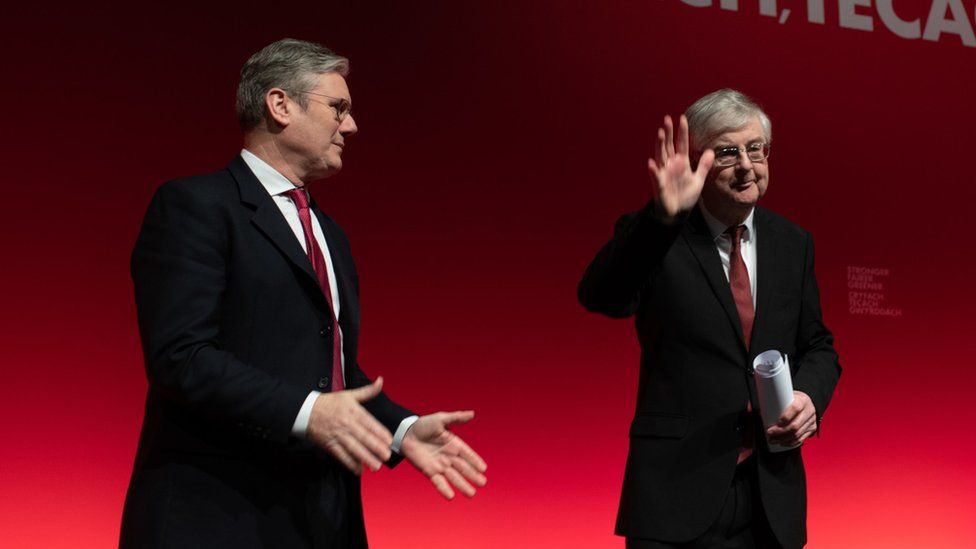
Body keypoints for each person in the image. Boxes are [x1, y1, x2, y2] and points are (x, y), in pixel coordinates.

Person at [119, 38, 487, 549]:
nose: (352, 126)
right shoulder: (196, 207)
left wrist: (401, 430)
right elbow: (181, 357)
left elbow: (331, 369)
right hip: (218, 516)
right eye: (338, 107)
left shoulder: (330, 234)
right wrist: (310, 411)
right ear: (280, 104)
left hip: (320, 518)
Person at [578, 89, 841, 549]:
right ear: (697, 161)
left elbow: (817, 344)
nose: (746, 164)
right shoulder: (660, 234)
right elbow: (603, 296)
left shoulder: (793, 243)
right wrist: (662, 217)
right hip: (676, 493)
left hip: (771, 495)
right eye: (727, 152)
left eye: (756, 148)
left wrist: (809, 397)